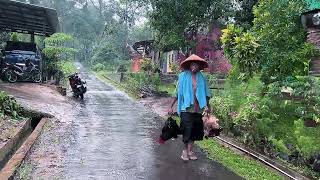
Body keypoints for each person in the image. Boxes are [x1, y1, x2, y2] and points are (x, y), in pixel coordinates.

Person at [168, 54, 211, 161]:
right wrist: (171, 106)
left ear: (199, 66)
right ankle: (184, 151)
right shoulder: (182, 76)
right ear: (189, 65)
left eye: (196, 65)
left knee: (195, 131)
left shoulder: (202, 77)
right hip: (186, 109)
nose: (194, 67)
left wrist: (208, 107)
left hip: (198, 109)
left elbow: (207, 93)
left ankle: (190, 150)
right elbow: (177, 92)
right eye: (192, 65)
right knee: (187, 130)